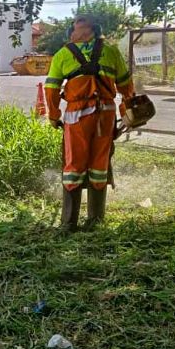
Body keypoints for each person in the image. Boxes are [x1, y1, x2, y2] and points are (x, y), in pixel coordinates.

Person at [44, 14, 135, 233]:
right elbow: (126, 86)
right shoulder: (111, 52)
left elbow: (51, 89)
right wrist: (127, 112)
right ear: (97, 30)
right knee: (99, 164)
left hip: (77, 116)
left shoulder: (63, 54)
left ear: (73, 32)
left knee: (74, 164)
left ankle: (69, 222)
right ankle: (96, 219)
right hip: (105, 114)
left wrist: (54, 116)